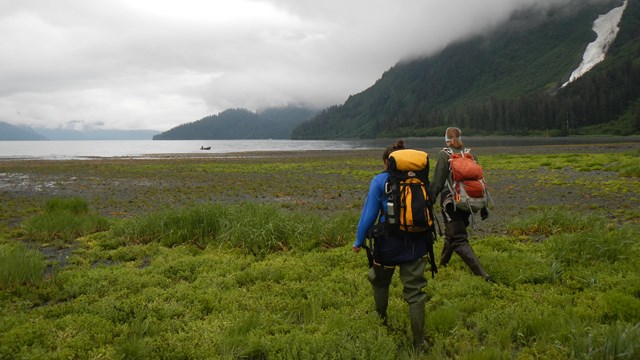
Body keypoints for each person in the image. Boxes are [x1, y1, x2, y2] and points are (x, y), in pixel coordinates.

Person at [352, 140, 432, 351]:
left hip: (387, 244)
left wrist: (358, 241)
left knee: (379, 282)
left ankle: (382, 322)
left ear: (388, 162)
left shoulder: (379, 181)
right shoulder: (420, 179)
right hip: (417, 241)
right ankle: (419, 341)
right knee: (415, 292)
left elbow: (368, 215)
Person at [429, 127, 492, 282]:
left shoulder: (444, 155)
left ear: (446, 139)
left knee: (458, 238)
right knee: (452, 234)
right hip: (469, 202)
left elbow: (437, 182)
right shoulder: (471, 154)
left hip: (452, 202)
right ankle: (441, 266)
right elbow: (479, 181)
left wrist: (428, 202)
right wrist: (484, 207)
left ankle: (483, 276)